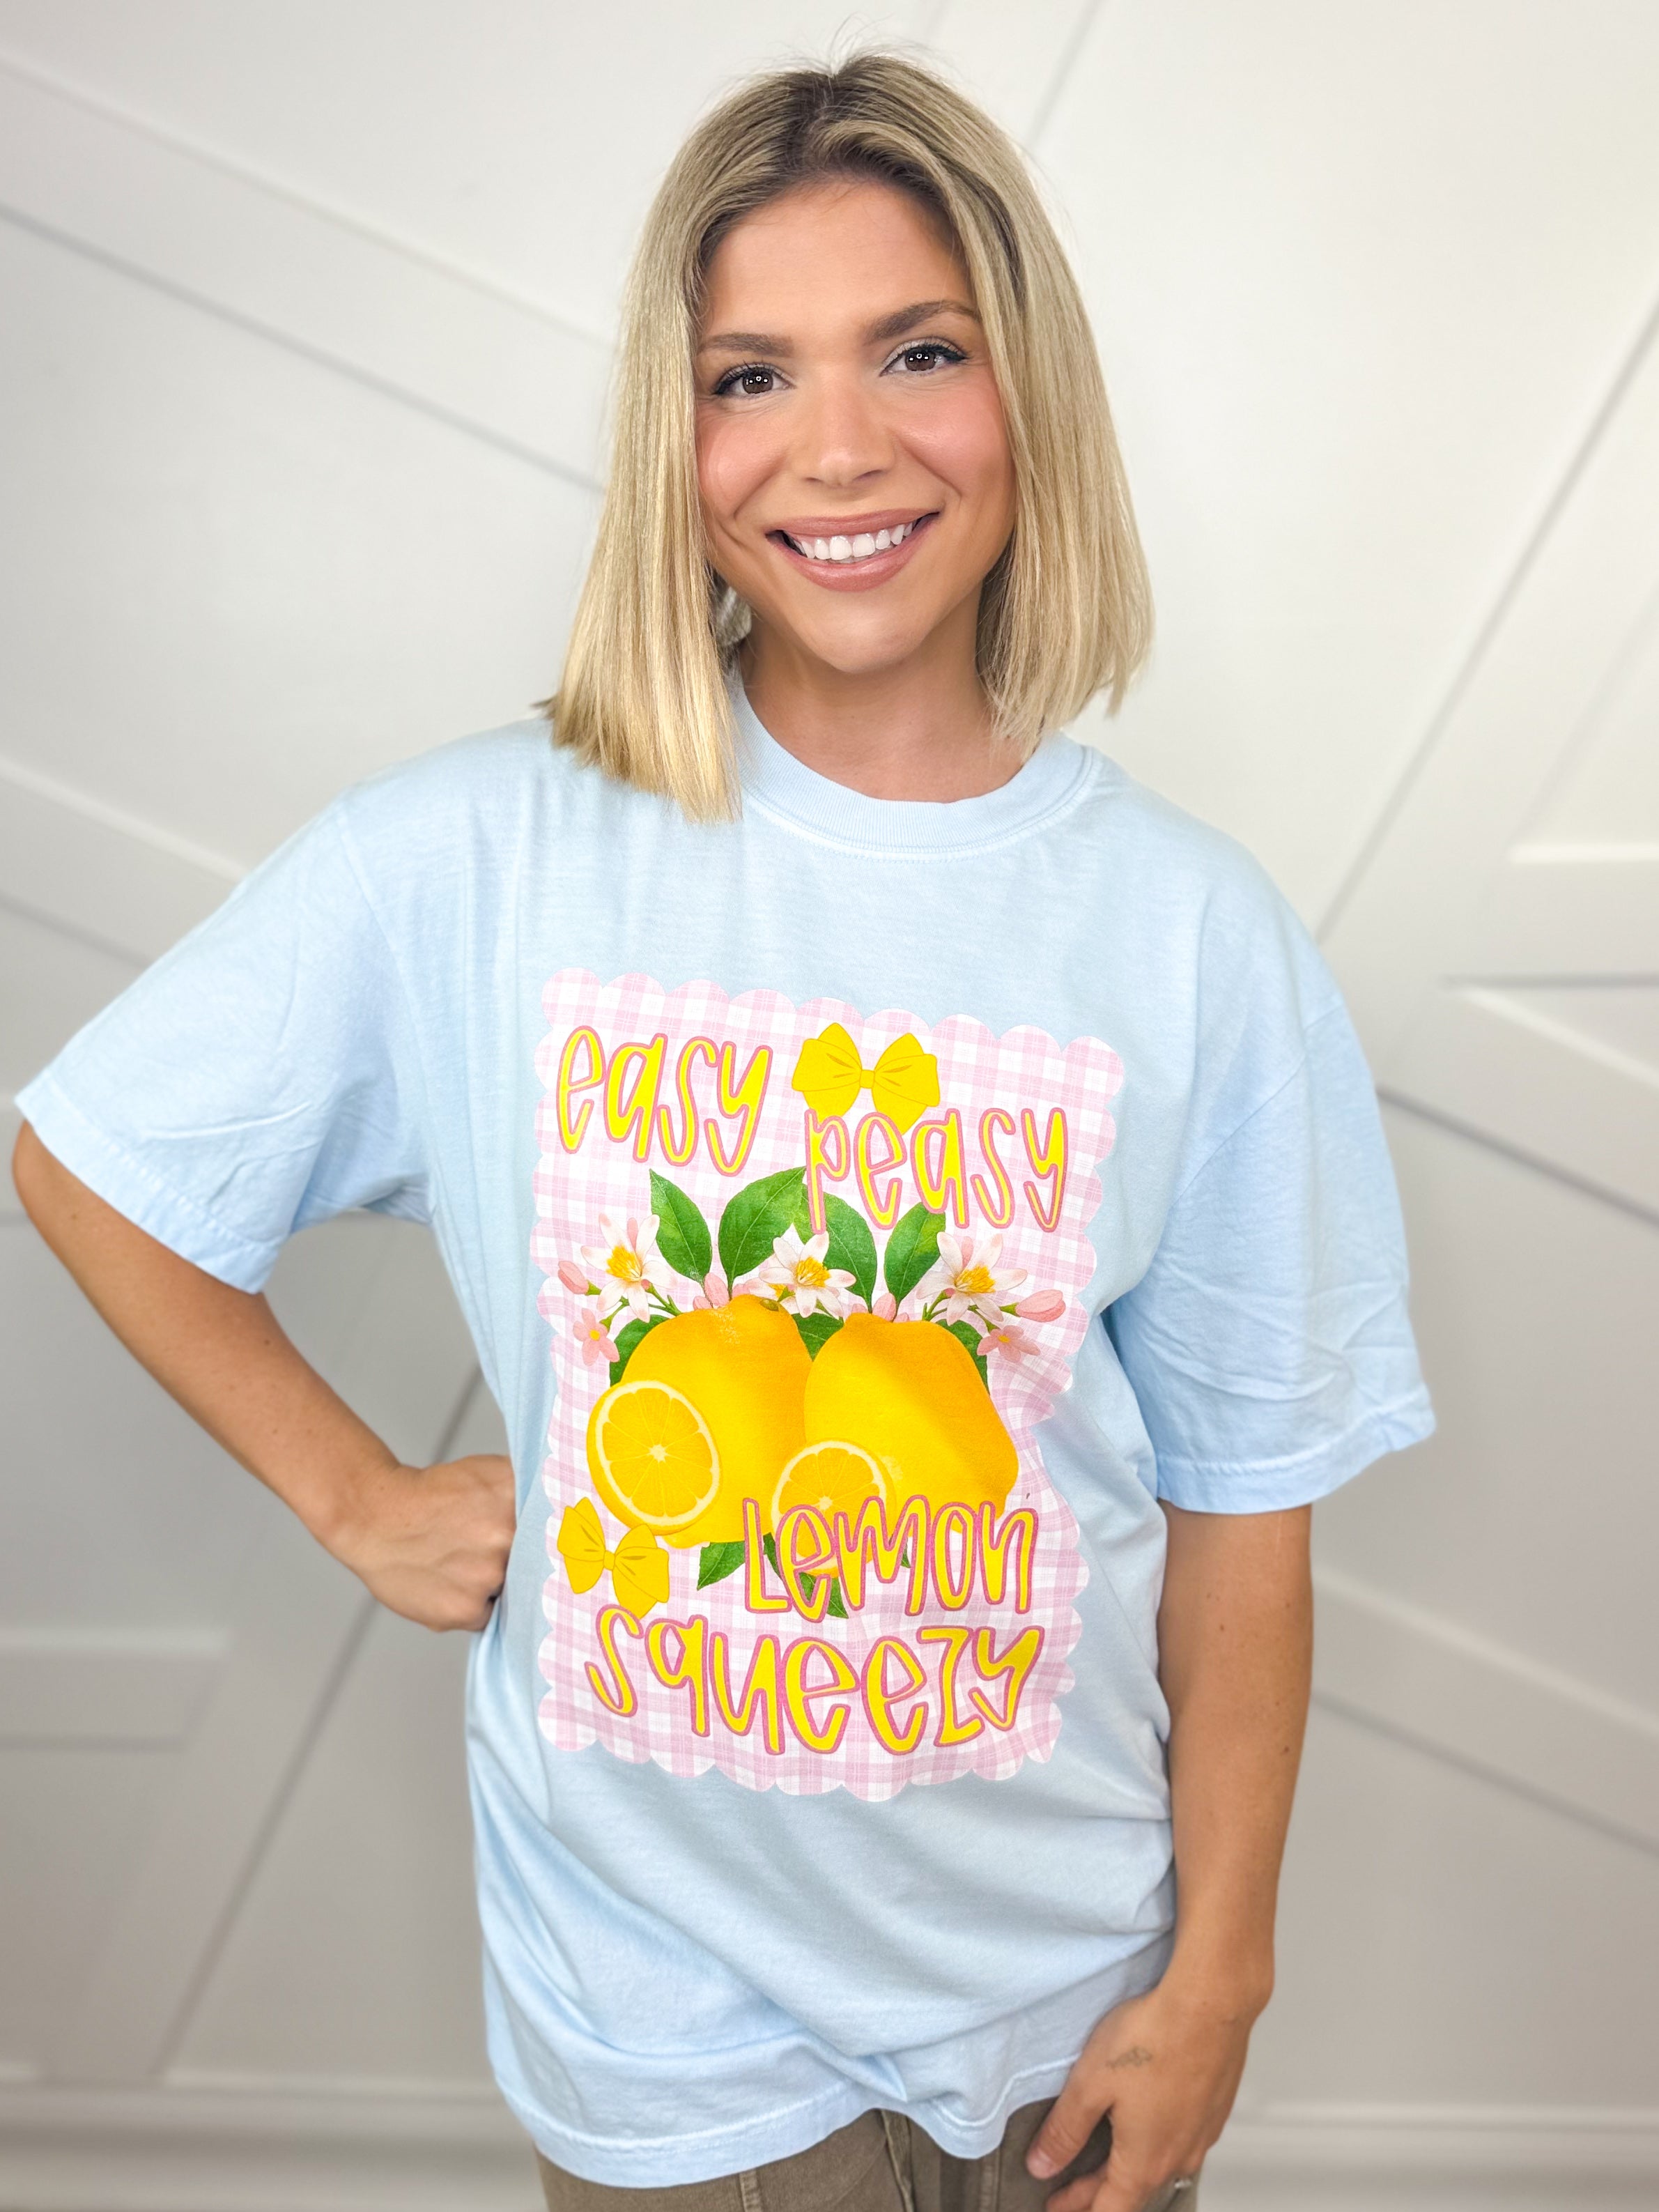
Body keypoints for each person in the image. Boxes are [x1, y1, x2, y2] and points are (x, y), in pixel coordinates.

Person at [10, 49, 1433, 2212]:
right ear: (668, 446)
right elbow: (97, 1155)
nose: (838, 446)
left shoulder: (1190, 932)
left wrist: (1219, 1976)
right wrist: (355, 1496)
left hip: (1073, 2008)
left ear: (1029, 392)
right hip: (668, 2036)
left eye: (919, 352)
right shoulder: (480, 855)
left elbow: (1246, 1507)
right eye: (747, 376)